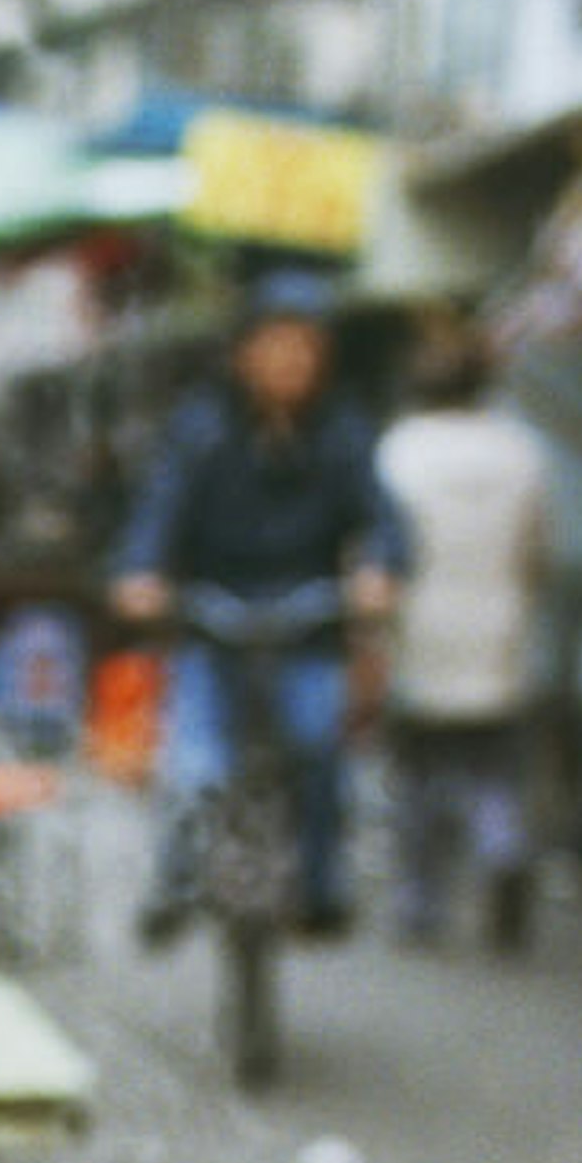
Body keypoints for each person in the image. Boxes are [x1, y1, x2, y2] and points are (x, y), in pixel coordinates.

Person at [111, 271, 404, 941]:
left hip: (307, 625)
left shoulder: (343, 434)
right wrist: (140, 572)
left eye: (304, 348)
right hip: (213, 623)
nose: (290, 362)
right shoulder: (201, 428)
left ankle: (323, 885)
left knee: (320, 747)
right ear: (244, 353)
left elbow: (384, 521)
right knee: (193, 767)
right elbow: (159, 512)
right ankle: (174, 878)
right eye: (276, 345)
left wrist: (381, 570)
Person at [374, 309, 553, 949]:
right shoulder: (521, 450)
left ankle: (420, 906)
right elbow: (537, 554)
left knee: (418, 779)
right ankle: (501, 849)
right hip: (499, 630)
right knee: (494, 771)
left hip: (421, 635)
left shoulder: (400, 451)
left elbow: (377, 557)